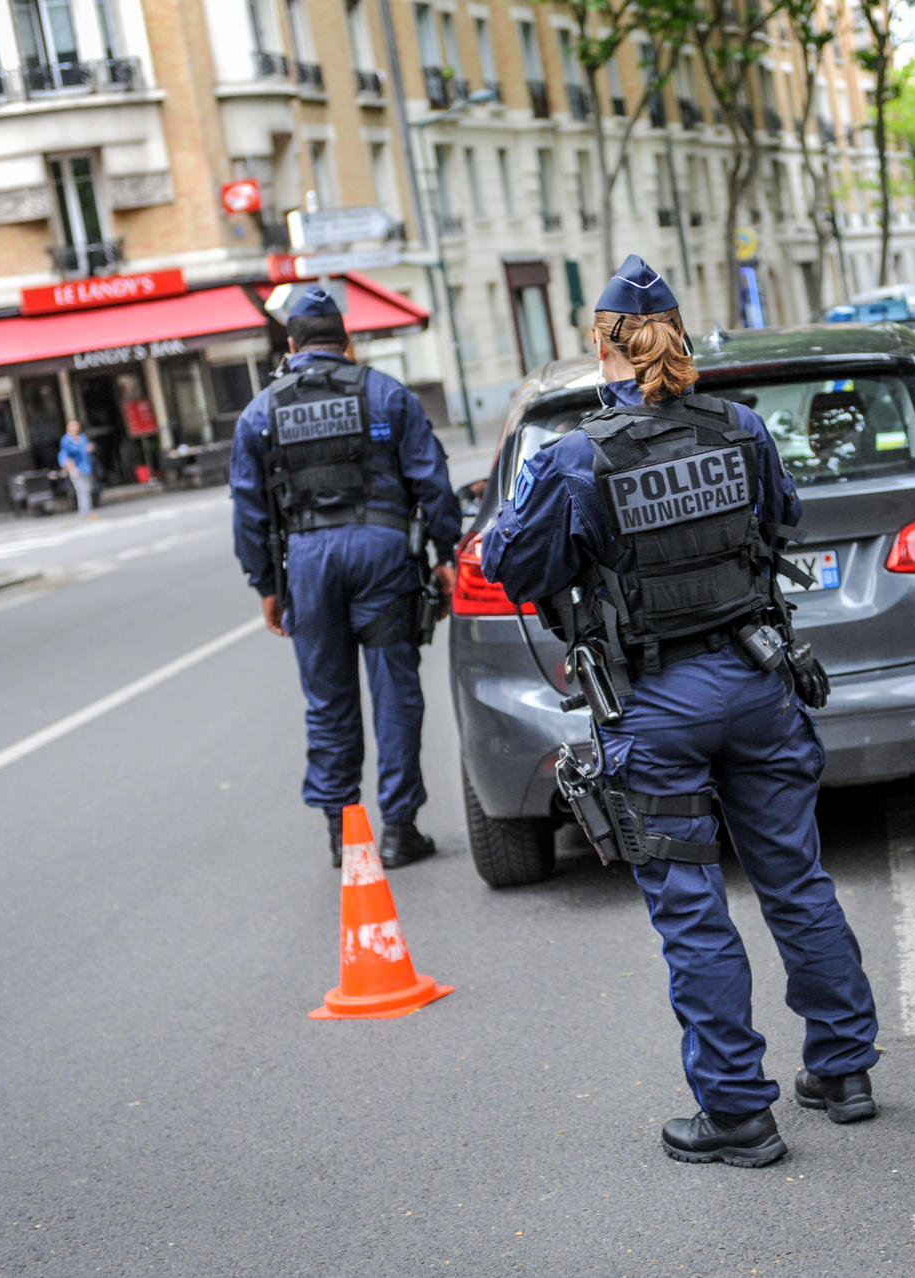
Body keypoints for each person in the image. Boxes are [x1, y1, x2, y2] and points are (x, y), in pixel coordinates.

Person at [481, 255, 879, 1169]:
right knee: (795, 876)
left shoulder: (577, 454)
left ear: (603, 346)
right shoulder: (739, 428)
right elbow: (783, 524)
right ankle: (845, 1070)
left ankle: (738, 1113)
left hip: (655, 702)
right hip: (758, 679)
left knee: (694, 910)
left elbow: (515, 563)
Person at [229, 287, 462, 870]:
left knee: (328, 700)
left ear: (291, 345)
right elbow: (431, 481)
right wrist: (445, 552)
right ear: (347, 342)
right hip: (383, 556)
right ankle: (399, 829)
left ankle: (343, 833)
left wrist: (266, 587)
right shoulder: (387, 395)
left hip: (307, 565)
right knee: (395, 695)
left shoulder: (261, 413)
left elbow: (250, 511)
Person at [57, 419, 98, 517]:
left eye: (76, 425)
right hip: (75, 468)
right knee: (81, 489)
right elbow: (64, 455)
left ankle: (87, 509)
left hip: (86, 467)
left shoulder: (83, 438)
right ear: (68, 428)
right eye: (72, 426)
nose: (75, 428)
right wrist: (70, 467)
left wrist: (90, 448)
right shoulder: (66, 440)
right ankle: (85, 510)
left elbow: (85, 452)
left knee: (88, 488)